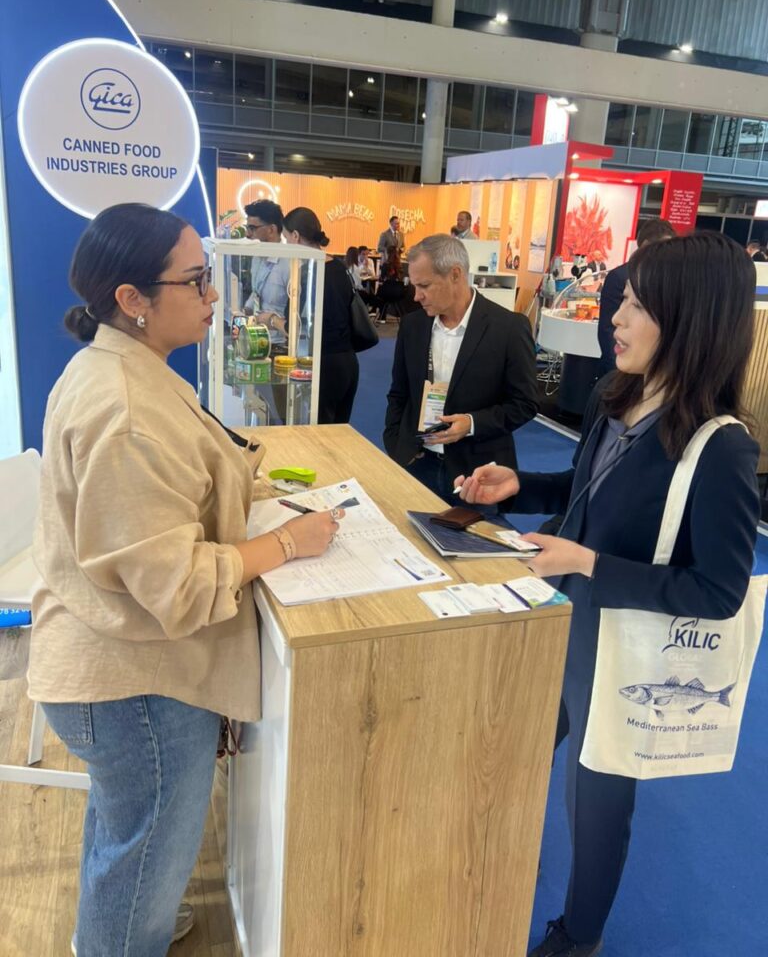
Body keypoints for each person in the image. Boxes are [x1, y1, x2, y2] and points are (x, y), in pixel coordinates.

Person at [28, 203, 344, 956]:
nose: (214, 295)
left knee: (127, 831)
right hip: (131, 682)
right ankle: (119, 936)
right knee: (142, 847)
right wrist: (287, 543)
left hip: (115, 664)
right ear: (132, 299)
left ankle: (118, 925)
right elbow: (174, 582)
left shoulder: (122, 368)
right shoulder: (125, 408)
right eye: (197, 280)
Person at [455, 231, 760, 957]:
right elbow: (587, 491)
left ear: (689, 319)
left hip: (624, 649)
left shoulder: (721, 447)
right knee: (517, 750)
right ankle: (500, 856)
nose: (615, 318)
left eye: (637, 306)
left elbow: (719, 590)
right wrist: (519, 485)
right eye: (621, 301)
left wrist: (593, 565)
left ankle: (579, 935)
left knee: (595, 803)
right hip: (562, 620)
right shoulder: (615, 394)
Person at [384, 234, 538, 503]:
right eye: (414, 286)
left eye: (424, 286)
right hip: (417, 463)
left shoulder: (508, 329)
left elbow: (524, 404)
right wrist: (397, 445)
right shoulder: (413, 326)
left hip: (478, 474)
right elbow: (399, 393)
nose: (417, 296)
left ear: (455, 275)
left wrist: (471, 423)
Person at [283, 206, 360, 423]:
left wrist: (270, 319)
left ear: (296, 236)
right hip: (348, 362)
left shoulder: (306, 273)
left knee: (319, 434)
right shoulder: (339, 267)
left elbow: (293, 327)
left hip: (323, 364)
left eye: (286, 239)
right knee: (338, 432)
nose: (287, 245)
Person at [597, 217, 675, 374]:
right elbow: (607, 330)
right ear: (645, 246)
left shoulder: (670, 280)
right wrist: (617, 372)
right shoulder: (620, 276)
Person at [242, 200, 290, 349]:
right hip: (256, 339)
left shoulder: (289, 264)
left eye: (252, 228)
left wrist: (273, 321)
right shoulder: (257, 257)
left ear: (271, 229)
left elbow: (299, 319)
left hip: (280, 346)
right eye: (247, 227)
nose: (248, 234)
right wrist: (245, 310)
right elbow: (256, 292)